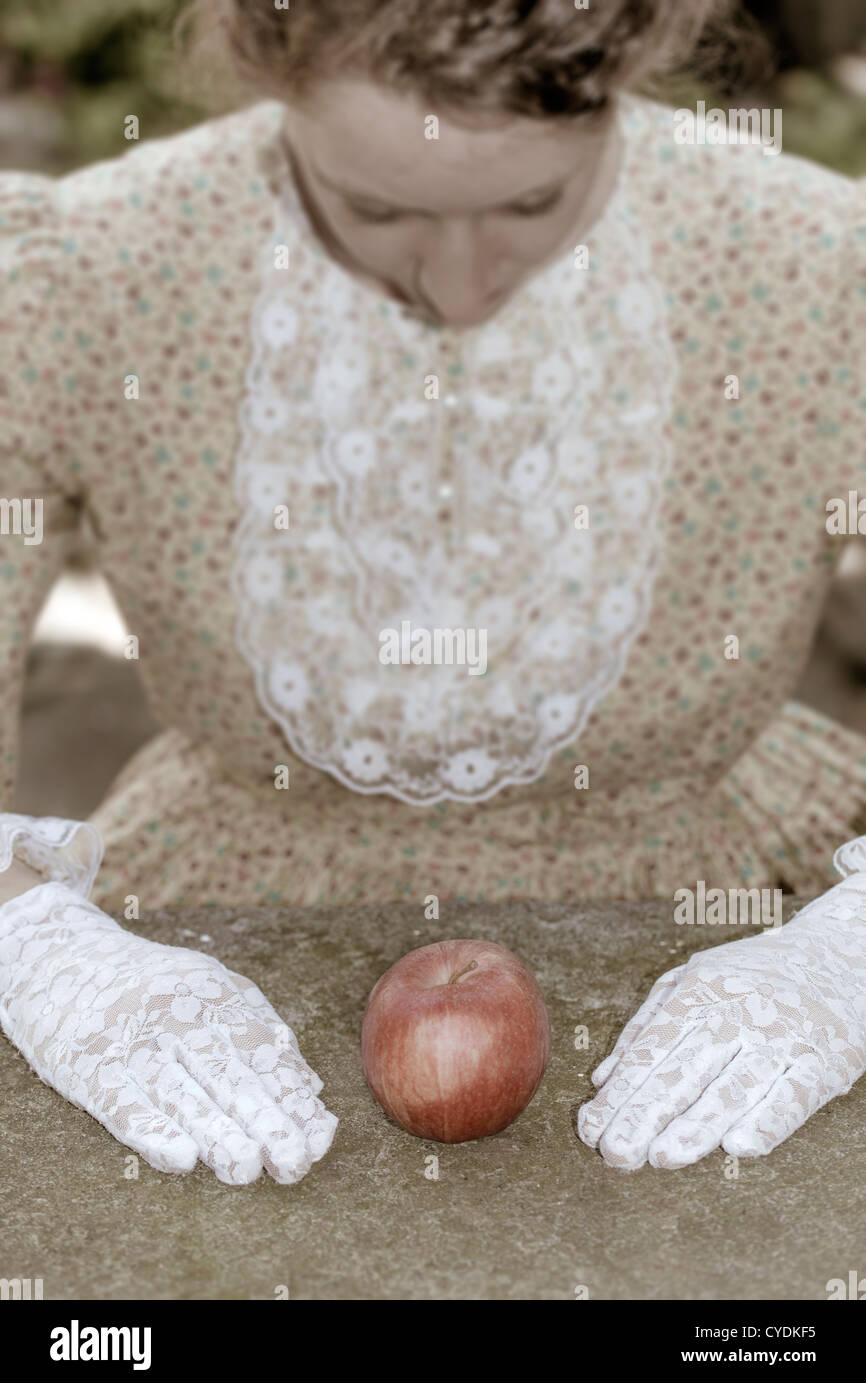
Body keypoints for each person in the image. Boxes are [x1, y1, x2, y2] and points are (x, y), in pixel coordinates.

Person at [1, 0, 864, 1183]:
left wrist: (843, 962)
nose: (458, 291)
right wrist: (34, 944)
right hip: (208, 928)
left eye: (529, 204)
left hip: (732, 899)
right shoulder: (90, 270)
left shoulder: (821, 269)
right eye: (373, 206)